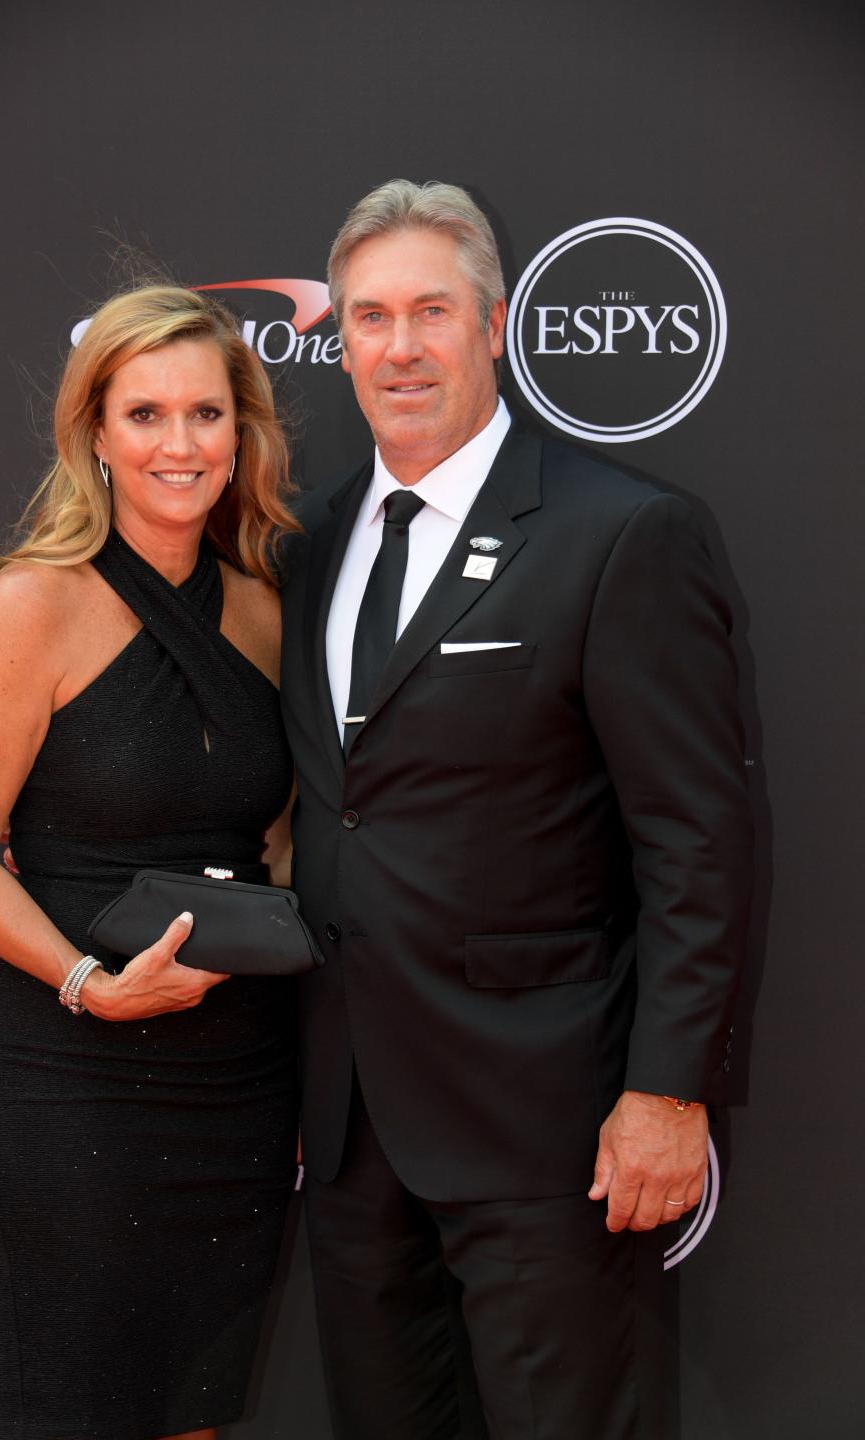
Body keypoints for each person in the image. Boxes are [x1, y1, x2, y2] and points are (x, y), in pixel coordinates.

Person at [279, 180, 753, 1439]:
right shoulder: (309, 537)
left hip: (548, 1129)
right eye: (370, 318)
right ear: (340, 343)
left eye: (432, 311)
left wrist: (669, 1092)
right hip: (348, 1125)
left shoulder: (621, 534)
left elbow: (698, 839)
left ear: (494, 328)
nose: (400, 348)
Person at [0, 285, 301, 1440]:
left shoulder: (264, 612)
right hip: (69, 1081)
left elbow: (275, 834)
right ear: (95, 434)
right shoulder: (32, 605)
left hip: (235, 1085)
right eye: (145, 416)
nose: (178, 446)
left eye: (204, 415)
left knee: (199, 1419)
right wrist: (91, 983)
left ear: (242, 433)